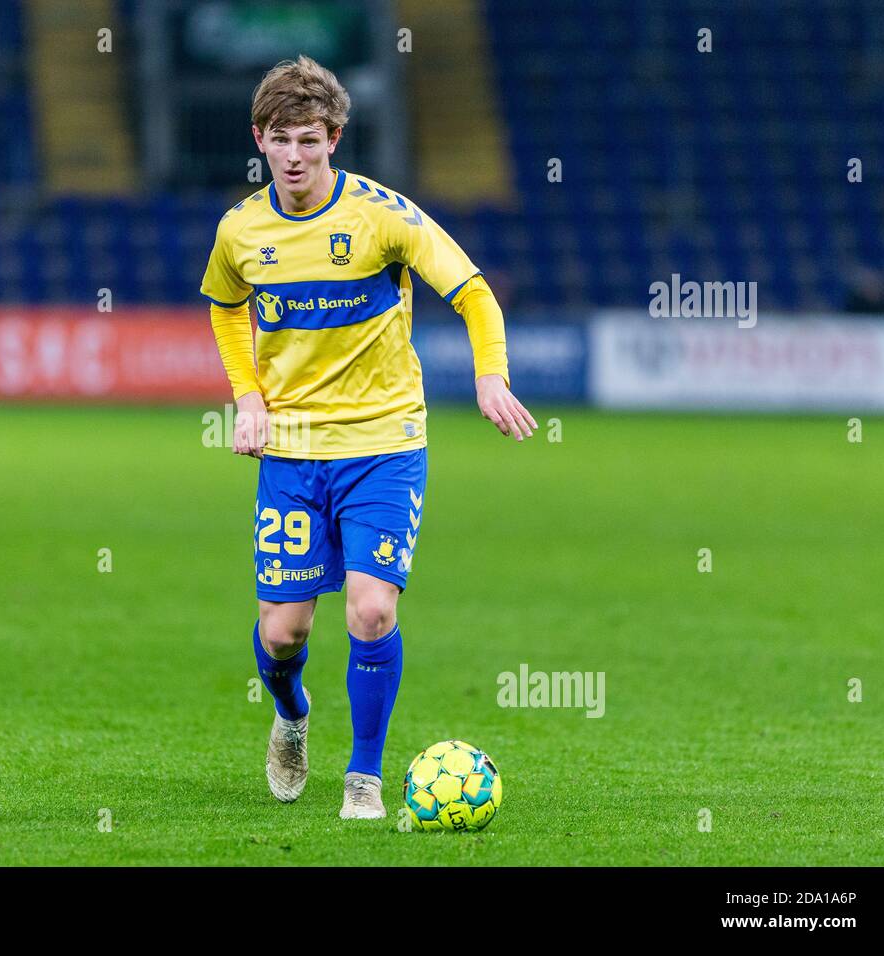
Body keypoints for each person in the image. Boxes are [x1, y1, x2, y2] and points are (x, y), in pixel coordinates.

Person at [201, 56, 536, 819]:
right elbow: (225, 307)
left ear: (335, 139)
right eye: (280, 138)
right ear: (259, 138)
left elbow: (473, 292)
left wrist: (491, 376)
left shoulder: (384, 216)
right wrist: (248, 398)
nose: (293, 155)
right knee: (283, 633)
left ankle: (364, 776)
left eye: (309, 140)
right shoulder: (241, 230)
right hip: (290, 449)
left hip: (384, 443)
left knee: (372, 612)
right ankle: (290, 716)